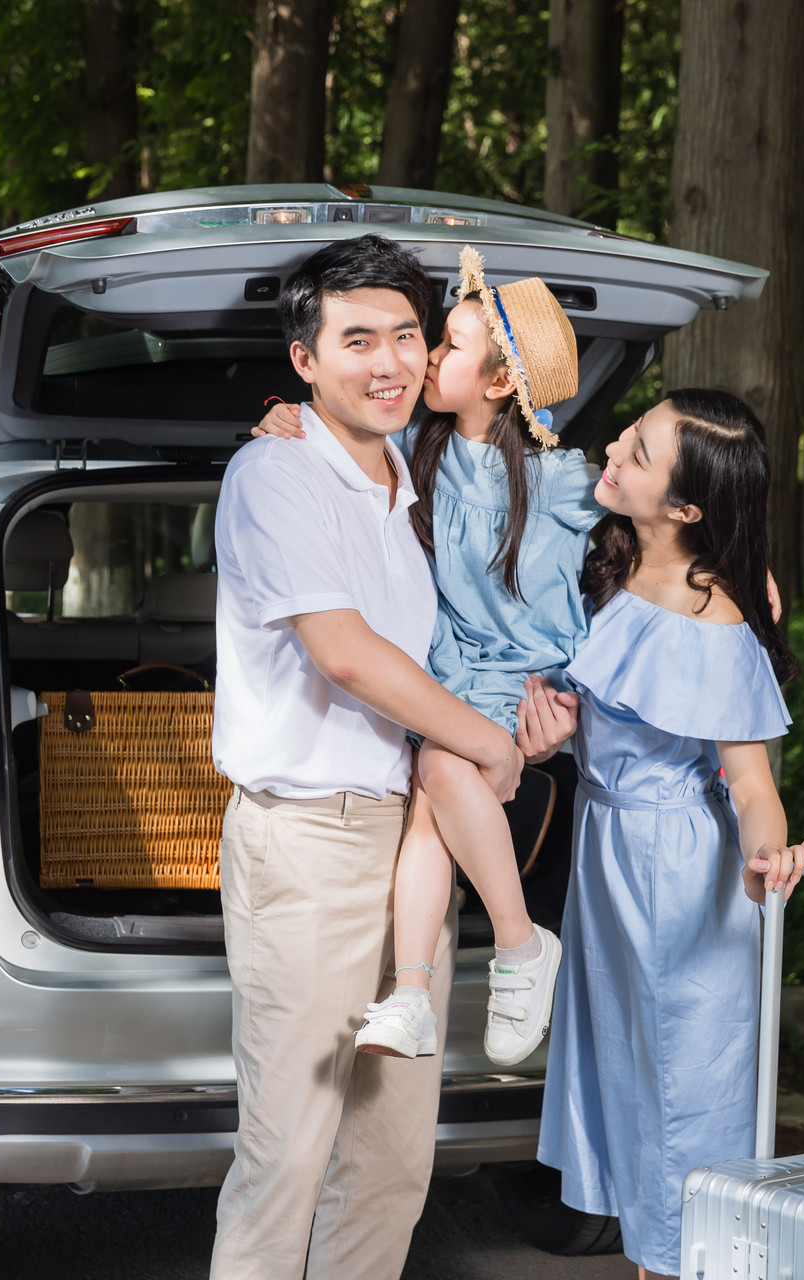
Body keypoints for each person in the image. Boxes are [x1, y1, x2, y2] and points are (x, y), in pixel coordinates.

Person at [211, 234, 540, 1279]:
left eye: (407, 335)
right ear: (305, 361)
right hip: (305, 846)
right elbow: (346, 654)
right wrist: (483, 739)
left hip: (407, 844)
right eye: (358, 339)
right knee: (289, 1155)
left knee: (394, 1161)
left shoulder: (409, 469)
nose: (390, 360)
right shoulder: (275, 473)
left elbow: (533, 439)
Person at [250, 246, 588, 1066]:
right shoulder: (417, 455)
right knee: (430, 815)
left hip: (524, 680)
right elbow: (339, 451)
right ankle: (415, 992)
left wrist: (729, 563)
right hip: (452, 679)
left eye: (444, 347)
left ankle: (514, 947)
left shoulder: (564, 479)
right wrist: (275, 414)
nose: (423, 359)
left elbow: (659, 529)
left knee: (440, 775)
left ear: (501, 383)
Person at [534, 389, 804, 1280]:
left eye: (641, 450)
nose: (614, 446)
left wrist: (768, 853)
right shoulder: (611, 556)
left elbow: (752, 782)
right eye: (632, 430)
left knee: (687, 1100)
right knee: (628, 1086)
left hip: (676, 871)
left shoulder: (716, 617)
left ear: (688, 508)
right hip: (608, 858)